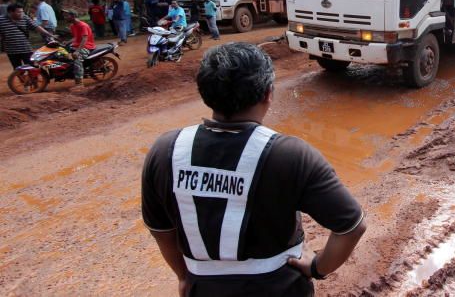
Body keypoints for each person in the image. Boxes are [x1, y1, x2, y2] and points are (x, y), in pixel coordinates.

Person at [141, 43, 365, 296]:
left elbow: (161, 229)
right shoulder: (290, 154)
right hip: (282, 287)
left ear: (204, 91)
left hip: (202, 288)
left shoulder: (165, 150)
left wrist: (183, 276)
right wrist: (317, 267)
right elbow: (351, 226)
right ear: (268, 93)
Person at [0, 2, 55, 68]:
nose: (21, 14)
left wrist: (48, 34)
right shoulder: (1, 20)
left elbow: (36, 27)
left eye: (22, 12)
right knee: (17, 68)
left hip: (26, 49)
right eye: (19, 12)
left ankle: (35, 78)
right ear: (10, 12)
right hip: (11, 51)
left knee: (32, 67)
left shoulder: (25, 18)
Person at [63, 9, 95, 87]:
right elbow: (76, 37)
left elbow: (84, 39)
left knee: (77, 59)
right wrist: (67, 42)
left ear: (73, 16)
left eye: (67, 16)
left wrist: (77, 51)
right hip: (76, 45)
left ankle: (79, 82)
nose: (65, 17)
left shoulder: (82, 25)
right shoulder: (72, 25)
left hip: (87, 46)